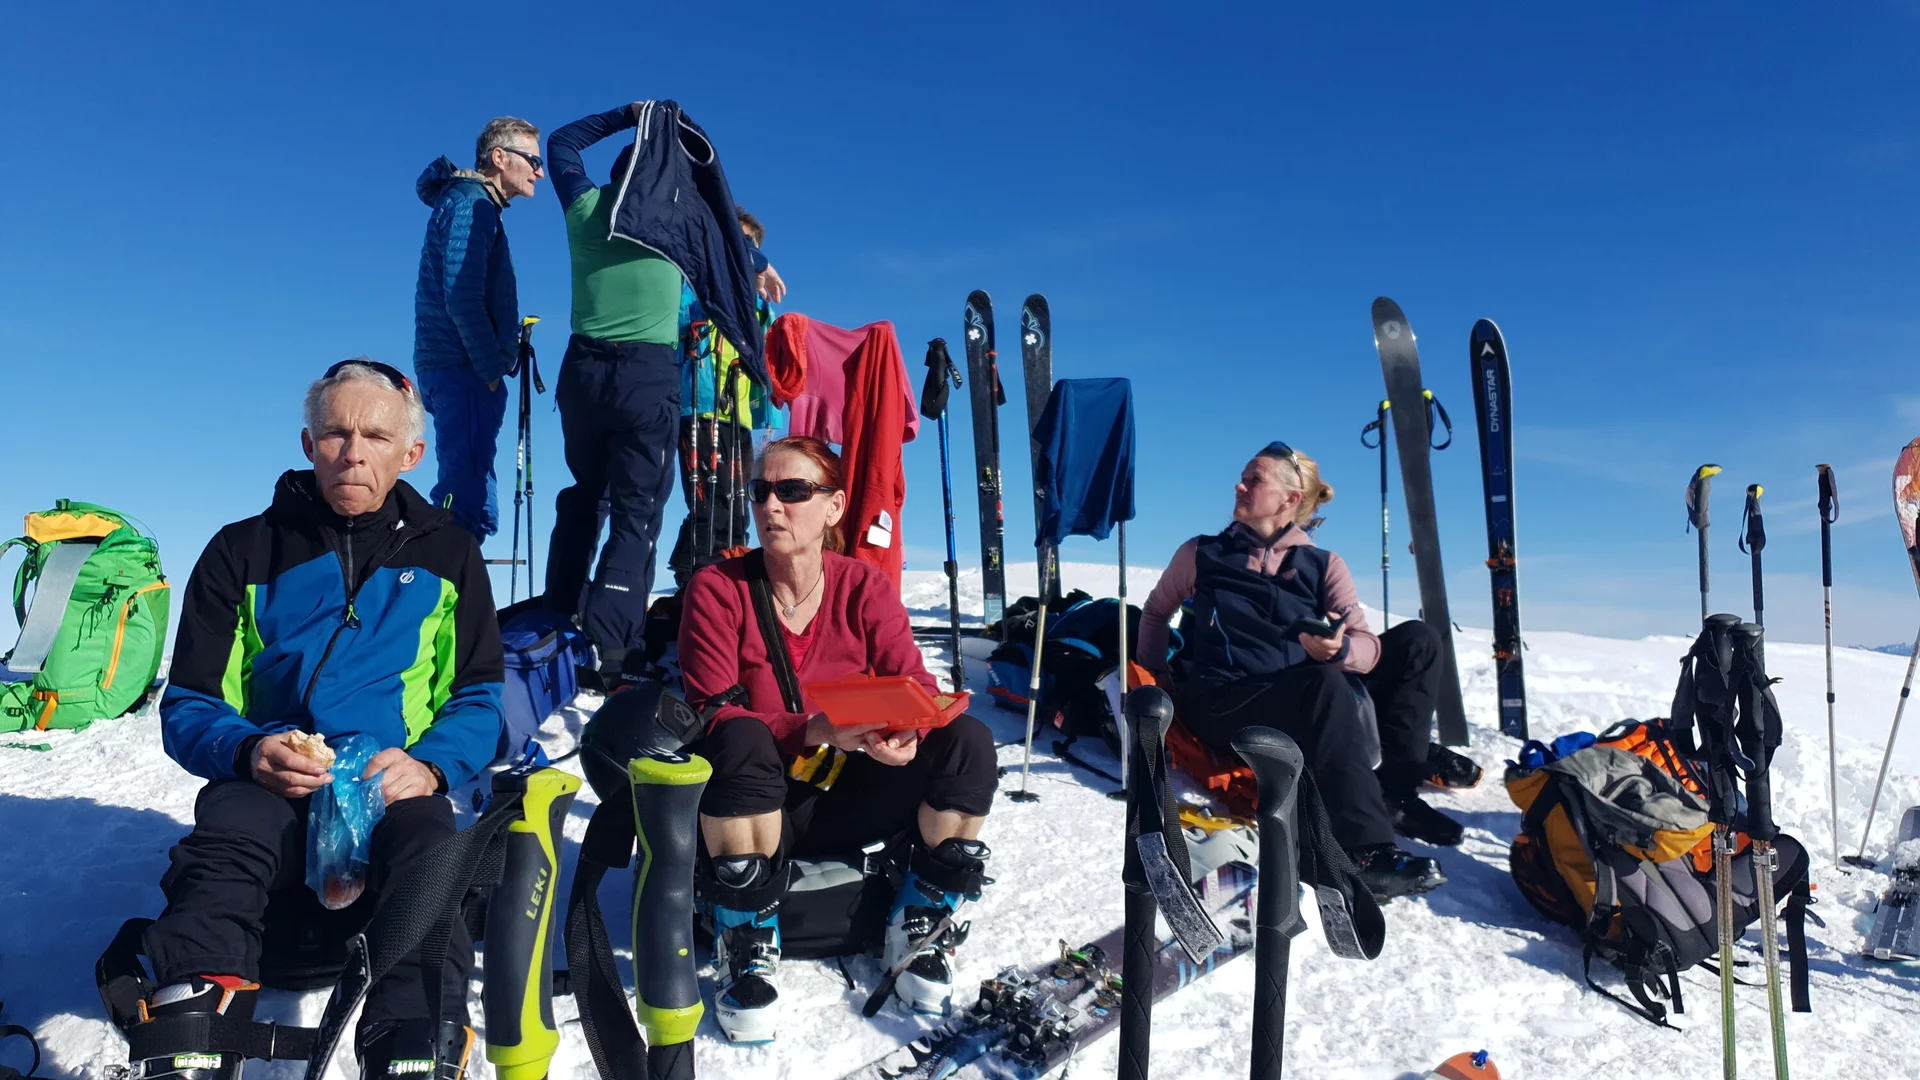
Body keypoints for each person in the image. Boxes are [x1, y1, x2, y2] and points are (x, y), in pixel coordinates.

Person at [134, 360, 505, 1080]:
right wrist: (249, 750)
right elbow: (188, 704)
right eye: (335, 432)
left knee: (428, 841)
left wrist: (428, 765)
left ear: (411, 454)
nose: (354, 451)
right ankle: (191, 1036)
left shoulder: (452, 554)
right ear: (308, 444)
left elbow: (479, 696)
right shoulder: (241, 550)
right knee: (231, 829)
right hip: (273, 780)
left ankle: (412, 1044)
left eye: (374, 434)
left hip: (389, 783)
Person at [678, 436, 995, 1042]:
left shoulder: (864, 588)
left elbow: (916, 688)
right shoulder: (717, 589)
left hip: (854, 792)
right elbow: (709, 712)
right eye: (760, 491)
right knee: (740, 735)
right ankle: (745, 936)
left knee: (968, 742)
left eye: (793, 491)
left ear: (834, 506)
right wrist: (811, 730)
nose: (771, 506)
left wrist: (907, 729)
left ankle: (924, 914)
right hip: (761, 801)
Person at [1136, 441, 1445, 900]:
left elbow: (1368, 648)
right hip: (1226, 701)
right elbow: (1156, 612)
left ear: (1290, 500)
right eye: (1243, 477)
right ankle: (1364, 851)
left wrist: (1338, 650)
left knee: (1419, 640)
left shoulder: (1322, 565)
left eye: (1254, 479)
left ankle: (1395, 795)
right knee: (1323, 684)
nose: (1239, 486)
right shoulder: (1202, 554)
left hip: (1303, 693)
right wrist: (1153, 682)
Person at [541, 102, 787, 679]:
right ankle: (614, 649)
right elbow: (728, 236)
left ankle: (558, 615)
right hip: (645, 378)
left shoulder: (584, 206)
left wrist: (628, 115)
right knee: (636, 513)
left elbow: (561, 142)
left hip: (581, 372)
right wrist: (761, 261)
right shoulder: (672, 227)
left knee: (585, 494)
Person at [412, 116, 544, 542]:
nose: (539, 171)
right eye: (532, 160)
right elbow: (461, 294)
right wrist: (489, 369)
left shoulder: (473, 203)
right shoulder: (473, 204)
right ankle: (449, 592)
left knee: (470, 479)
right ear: (500, 157)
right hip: (463, 368)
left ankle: (461, 585)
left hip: (458, 367)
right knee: (464, 491)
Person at [668, 207, 783, 589]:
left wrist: (771, 420)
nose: (741, 249)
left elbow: (765, 363)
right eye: (738, 241)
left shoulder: (758, 306)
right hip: (698, 409)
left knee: (737, 509)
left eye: (749, 243)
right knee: (710, 507)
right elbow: (679, 322)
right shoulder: (692, 283)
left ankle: (720, 583)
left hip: (740, 419)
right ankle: (699, 585)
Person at [1364, 618, 1469, 846]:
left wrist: (1347, 650)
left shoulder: (1323, 580)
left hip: (1329, 657)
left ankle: (1398, 788)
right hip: (1279, 675)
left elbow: (1350, 620)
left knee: (1420, 639)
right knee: (1326, 686)